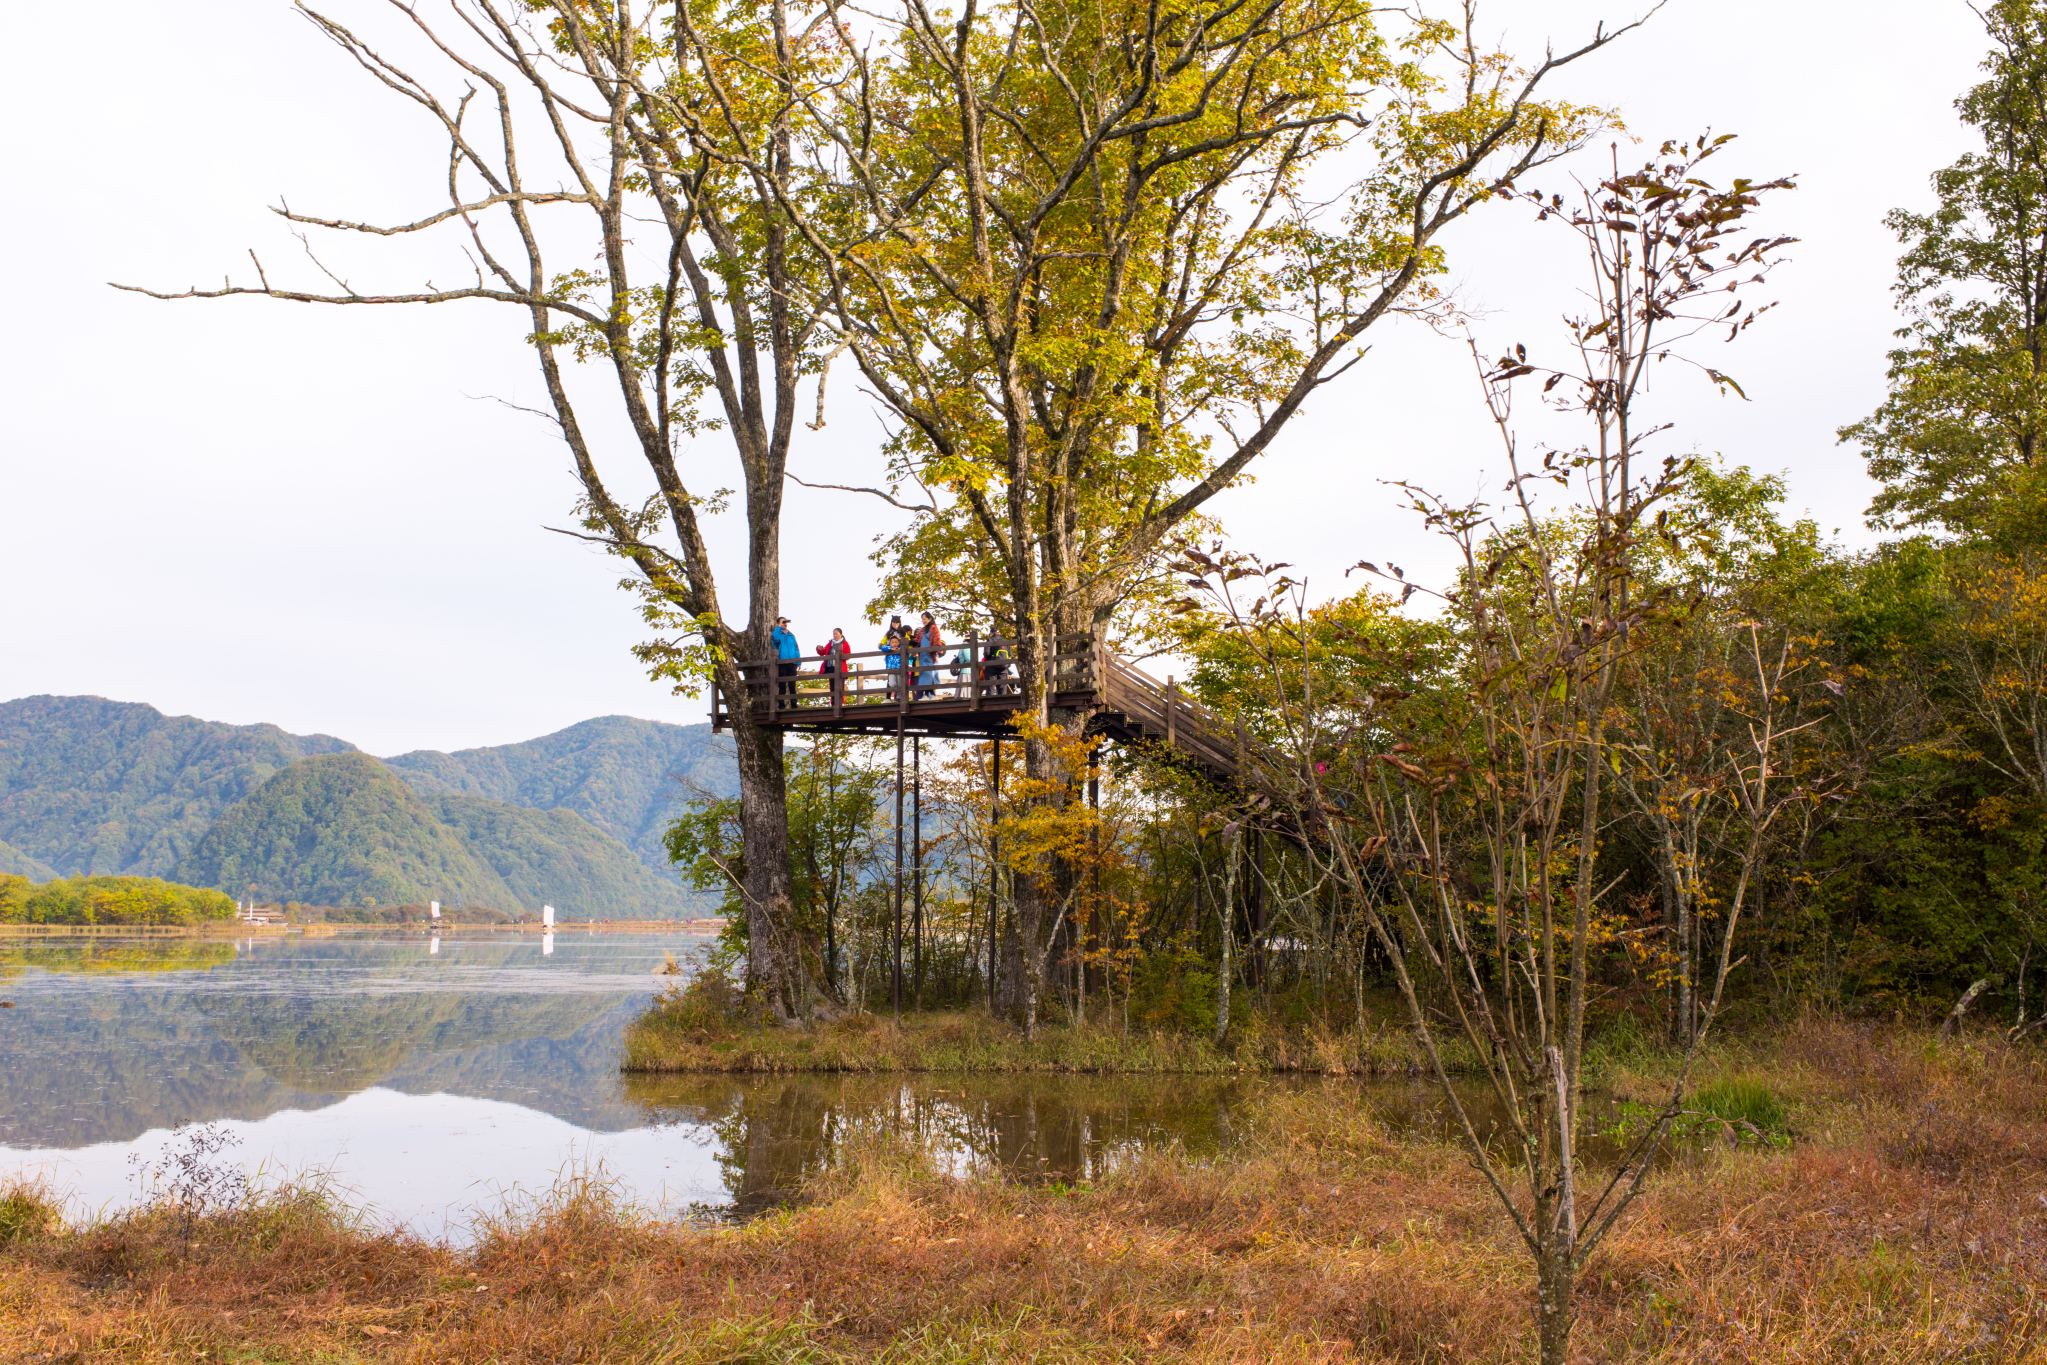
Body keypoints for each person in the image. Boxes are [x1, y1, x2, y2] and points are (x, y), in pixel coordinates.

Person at [771, 616, 801, 706]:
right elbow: (773, 638)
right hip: (782, 662)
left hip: (792, 662)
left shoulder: (791, 635)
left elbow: (796, 648)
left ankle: (794, 704)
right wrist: (778, 627)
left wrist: (798, 661)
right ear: (778, 624)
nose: (785, 623)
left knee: (792, 684)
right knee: (782, 684)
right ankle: (781, 704)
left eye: (785, 622)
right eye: (783, 622)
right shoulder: (778, 634)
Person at [816, 627, 850, 702]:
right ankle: (833, 703)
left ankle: (841, 702)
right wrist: (820, 649)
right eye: (834, 634)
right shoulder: (830, 643)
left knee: (840, 686)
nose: (835, 635)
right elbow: (823, 652)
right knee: (832, 686)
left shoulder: (845, 643)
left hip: (840, 668)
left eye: (836, 634)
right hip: (831, 667)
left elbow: (848, 655)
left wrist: (840, 656)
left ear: (841, 635)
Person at [915, 612, 944, 698]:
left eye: (924, 619)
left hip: (931, 655)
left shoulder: (934, 628)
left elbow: (937, 640)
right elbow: (917, 641)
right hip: (923, 656)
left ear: (929, 619)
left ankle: (931, 694)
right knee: (924, 674)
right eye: (922, 619)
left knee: (930, 674)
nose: (923, 621)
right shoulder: (922, 630)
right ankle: (927, 694)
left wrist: (932, 650)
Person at [879, 616, 907, 701]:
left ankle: (899, 697)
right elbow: (881, 644)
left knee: (900, 680)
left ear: (900, 623)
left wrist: (901, 647)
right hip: (890, 659)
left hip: (900, 659)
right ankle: (888, 697)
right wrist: (889, 648)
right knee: (891, 680)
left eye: (897, 622)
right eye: (894, 622)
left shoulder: (903, 632)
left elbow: (908, 642)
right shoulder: (888, 633)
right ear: (891, 623)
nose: (895, 624)